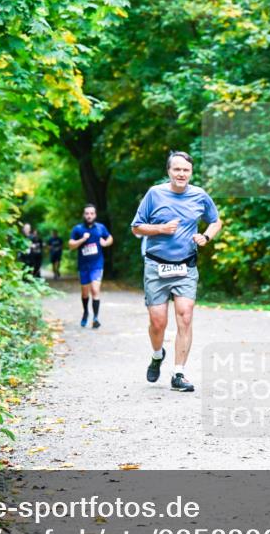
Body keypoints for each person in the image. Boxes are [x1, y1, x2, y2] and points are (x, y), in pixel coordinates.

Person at [131, 151, 222, 392]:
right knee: (158, 322)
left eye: (186, 170)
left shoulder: (199, 195)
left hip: (186, 265)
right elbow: (136, 228)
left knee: (185, 315)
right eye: (177, 169)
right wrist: (160, 229)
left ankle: (178, 373)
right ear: (169, 171)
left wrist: (205, 236)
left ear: (191, 173)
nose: (181, 174)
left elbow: (215, 221)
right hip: (156, 265)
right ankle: (157, 354)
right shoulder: (155, 194)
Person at [69, 204, 113, 328]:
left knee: (95, 290)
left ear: (95, 215)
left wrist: (105, 243)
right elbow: (71, 245)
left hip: (97, 264)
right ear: (84, 215)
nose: (89, 216)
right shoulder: (78, 229)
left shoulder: (100, 228)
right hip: (83, 266)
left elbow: (110, 238)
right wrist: (82, 240)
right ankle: (85, 312)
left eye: (91, 213)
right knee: (84, 293)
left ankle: (95, 318)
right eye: (87, 213)